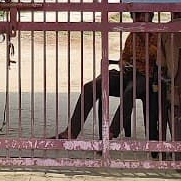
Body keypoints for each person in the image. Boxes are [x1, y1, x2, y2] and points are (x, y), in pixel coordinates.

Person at [57, 12, 170, 140]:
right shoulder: (132, 35)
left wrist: (144, 37)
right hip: (127, 73)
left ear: (150, 17)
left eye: (142, 16)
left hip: (146, 76)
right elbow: (124, 56)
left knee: (130, 91)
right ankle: (71, 132)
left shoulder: (158, 34)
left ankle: (110, 133)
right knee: (90, 87)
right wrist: (123, 63)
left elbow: (159, 58)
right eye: (136, 16)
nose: (139, 19)